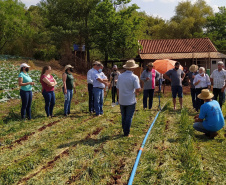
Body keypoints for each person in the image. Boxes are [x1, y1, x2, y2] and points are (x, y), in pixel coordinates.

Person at [117, 60, 141, 137]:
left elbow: (118, 88)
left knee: (123, 115)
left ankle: (124, 129)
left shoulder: (120, 76)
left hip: (122, 99)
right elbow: (137, 89)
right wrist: (138, 91)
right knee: (129, 116)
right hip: (130, 100)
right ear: (133, 68)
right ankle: (126, 132)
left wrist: (118, 97)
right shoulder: (134, 77)